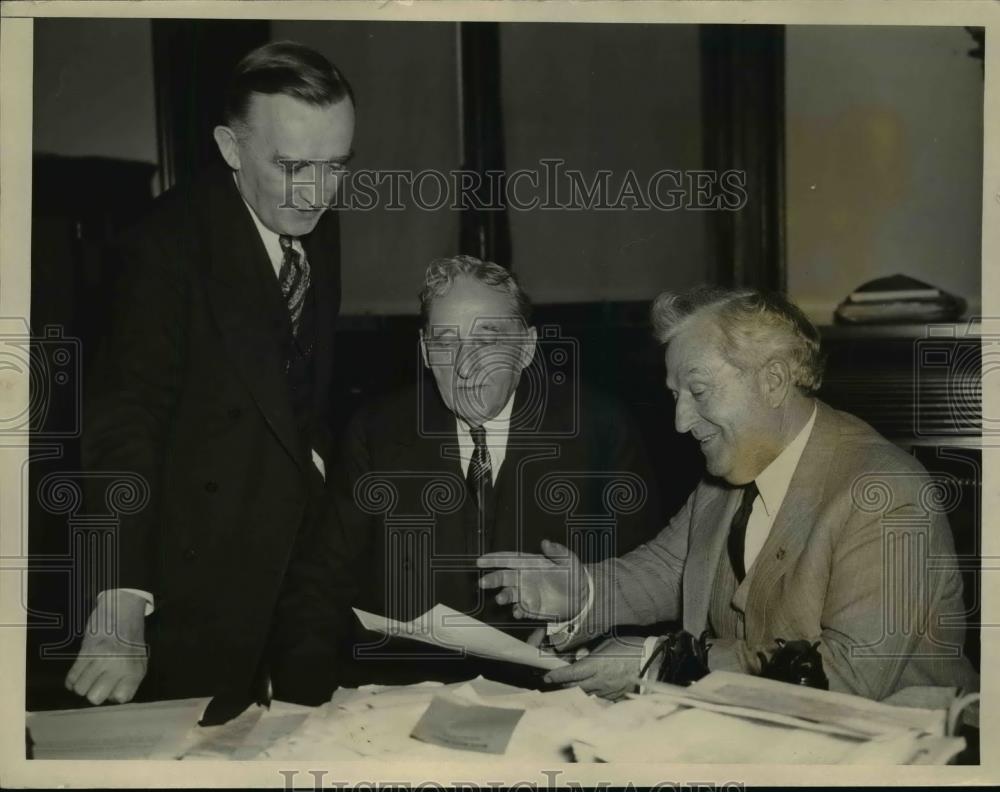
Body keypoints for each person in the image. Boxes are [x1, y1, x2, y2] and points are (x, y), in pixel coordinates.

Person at [479, 287, 979, 702]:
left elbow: (847, 677)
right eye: (676, 396)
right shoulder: (726, 476)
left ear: (774, 380)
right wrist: (578, 593)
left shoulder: (886, 491)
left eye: (698, 392)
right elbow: (664, 570)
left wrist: (660, 665)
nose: (680, 422)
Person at [66, 41, 356, 722]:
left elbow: (298, 393)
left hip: (291, 571)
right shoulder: (158, 249)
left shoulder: (315, 219)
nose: (318, 192)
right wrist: (119, 599)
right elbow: (122, 428)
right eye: (292, 167)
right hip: (189, 585)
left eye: (336, 166)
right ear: (231, 148)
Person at [317, 254, 662, 688]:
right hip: (403, 696)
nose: (466, 365)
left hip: (551, 694)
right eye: (445, 340)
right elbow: (323, 585)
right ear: (425, 351)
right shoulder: (377, 431)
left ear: (527, 347)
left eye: (488, 339)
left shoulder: (600, 429)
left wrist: (579, 632)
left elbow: (648, 587)